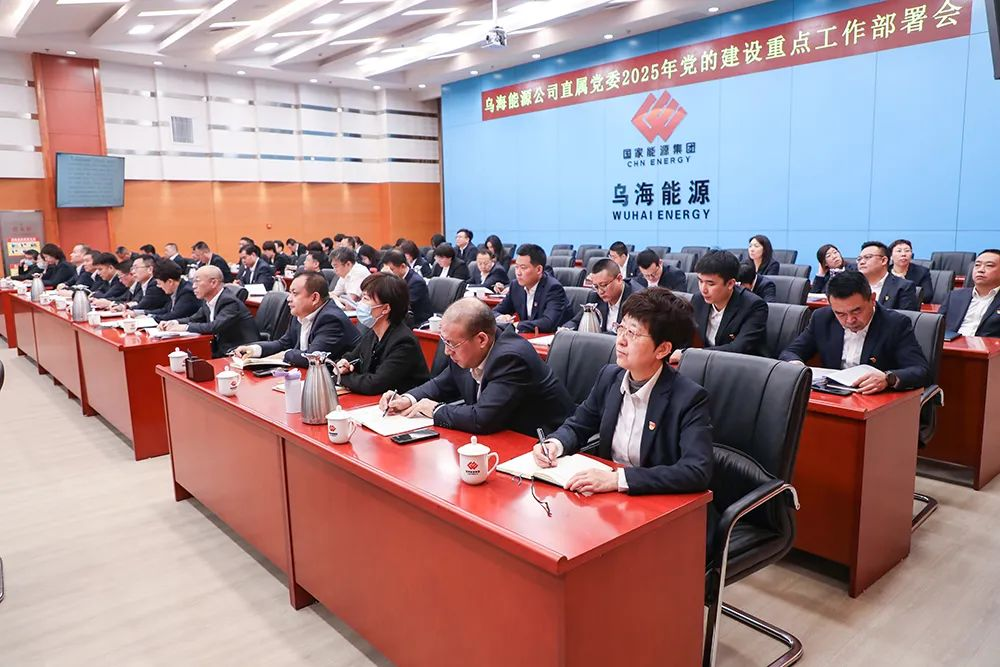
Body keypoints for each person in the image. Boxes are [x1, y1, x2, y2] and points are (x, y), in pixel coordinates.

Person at [533, 288, 713, 495]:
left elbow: (696, 470)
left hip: (656, 501)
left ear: (662, 349)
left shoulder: (689, 398)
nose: (620, 340)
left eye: (633, 333)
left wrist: (618, 479)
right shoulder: (609, 377)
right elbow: (578, 425)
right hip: (607, 498)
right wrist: (555, 444)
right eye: (621, 328)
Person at [379, 298, 574, 435]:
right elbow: (441, 384)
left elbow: (482, 418)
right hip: (502, 434)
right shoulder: (467, 347)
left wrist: (435, 409)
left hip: (541, 443)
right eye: (444, 342)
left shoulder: (511, 358)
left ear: (481, 339)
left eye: (451, 344)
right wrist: (407, 399)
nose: (446, 351)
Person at [779, 271, 929, 393]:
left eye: (856, 311)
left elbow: (921, 371)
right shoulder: (822, 318)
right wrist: (795, 365)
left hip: (874, 401)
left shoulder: (895, 324)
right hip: (833, 396)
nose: (850, 320)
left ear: (872, 299)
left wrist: (887, 378)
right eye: (840, 314)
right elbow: (791, 352)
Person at [234, 271, 359, 367]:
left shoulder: (331, 319)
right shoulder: (299, 314)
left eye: (295, 293)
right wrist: (254, 349)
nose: (289, 299)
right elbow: (283, 343)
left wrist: (284, 354)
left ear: (314, 298)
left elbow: (312, 358)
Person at [334, 274, 429, 394]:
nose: (360, 304)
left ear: (385, 309)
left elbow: (374, 384)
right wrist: (343, 364)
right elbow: (352, 357)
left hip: (400, 402)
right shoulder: (373, 332)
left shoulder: (404, 342)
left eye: (366, 299)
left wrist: (341, 377)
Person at [671, 250, 768, 362]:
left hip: (743, 365)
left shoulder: (754, 306)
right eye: (700, 281)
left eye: (710, 284)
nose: (703, 289)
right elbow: (686, 336)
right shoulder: (698, 299)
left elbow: (739, 348)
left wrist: (691, 354)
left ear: (730, 284)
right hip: (707, 363)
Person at [160, 266, 260, 358]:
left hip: (241, 352)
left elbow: (214, 327)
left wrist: (185, 327)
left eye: (197, 282)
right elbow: (194, 318)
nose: (193, 286)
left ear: (213, 283)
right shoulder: (208, 300)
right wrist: (174, 322)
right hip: (221, 349)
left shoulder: (229, 301)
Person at [493, 243, 567, 333]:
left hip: (553, 338)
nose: (518, 273)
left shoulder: (553, 288)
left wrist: (517, 325)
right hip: (527, 336)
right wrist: (500, 317)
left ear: (539, 270)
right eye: (516, 267)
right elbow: (494, 312)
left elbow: (548, 322)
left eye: (523, 268)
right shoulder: (515, 286)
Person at [938, 249, 1000, 337]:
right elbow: (937, 326)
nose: (981, 270)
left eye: (989, 265)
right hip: (952, 344)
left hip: (987, 345)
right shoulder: (954, 296)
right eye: (977, 265)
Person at [567, 258, 634, 334]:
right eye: (596, 286)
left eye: (603, 285)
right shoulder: (595, 297)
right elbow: (575, 322)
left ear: (619, 279)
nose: (600, 291)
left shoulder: (635, 299)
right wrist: (564, 330)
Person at [856, 241, 918, 311]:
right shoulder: (854, 285)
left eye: (867, 257)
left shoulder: (904, 287)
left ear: (883, 260)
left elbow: (905, 317)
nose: (862, 262)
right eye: (859, 259)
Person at [381, 250, 432, 327]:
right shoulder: (398, 279)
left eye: (392, 269)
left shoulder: (416, 282)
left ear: (402, 266)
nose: (388, 273)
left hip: (416, 321)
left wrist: (390, 282)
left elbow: (403, 306)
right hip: (401, 318)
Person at [889, 239, 933, 304]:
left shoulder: (922, 272)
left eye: (907, 251)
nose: (903, 254)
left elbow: (927, 295)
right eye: (899, 251)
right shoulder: (884, 271)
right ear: (891, 256)